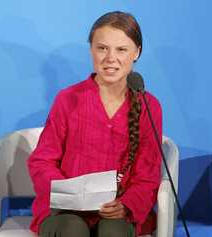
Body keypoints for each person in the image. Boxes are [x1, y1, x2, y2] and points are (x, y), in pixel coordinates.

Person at [27, 11, 162, 237]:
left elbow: (148, 173)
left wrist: (126, 205)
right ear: (91, 50)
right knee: (73, 229)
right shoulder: (68, 98)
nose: (111, 58)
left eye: (121, 49)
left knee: (113, 231)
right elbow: (42, 160)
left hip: (117, 212)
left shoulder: (149, 106)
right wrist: (67, 195)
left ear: (136, 52)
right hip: (65, 212)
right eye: (102, 48)